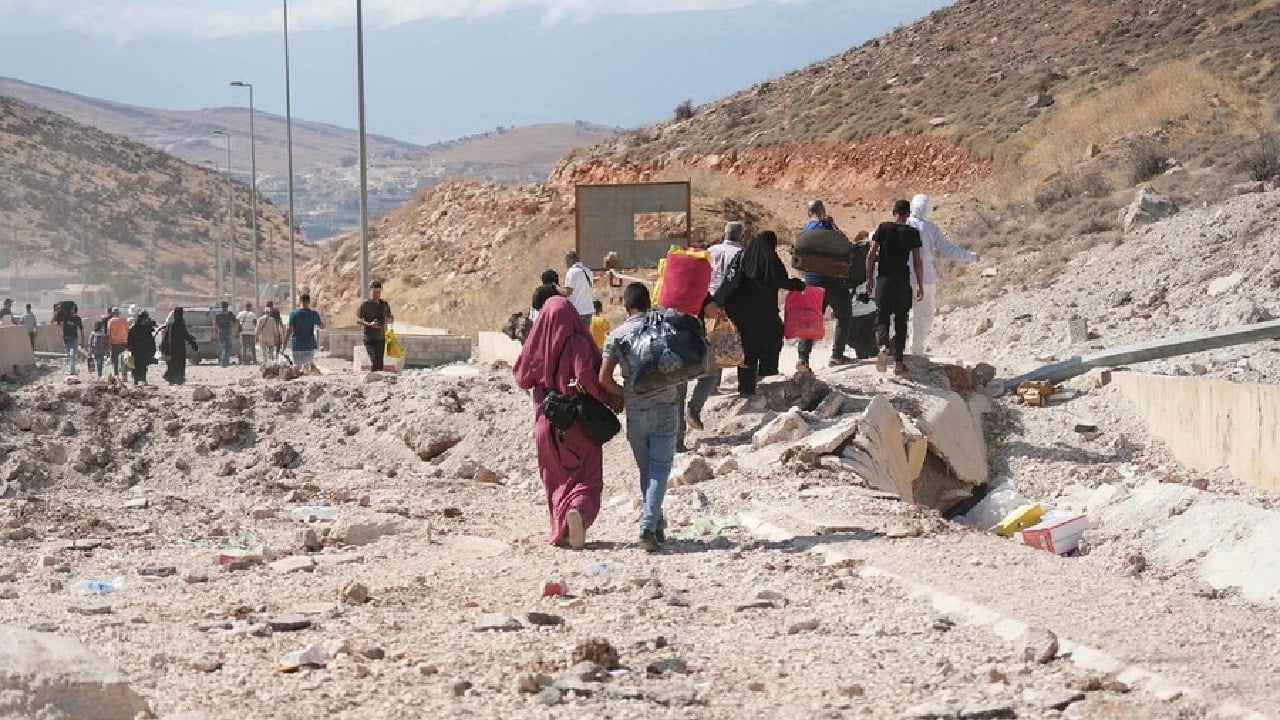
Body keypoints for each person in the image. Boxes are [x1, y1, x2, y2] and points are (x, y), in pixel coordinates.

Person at [513, 296, 616, 551]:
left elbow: (522, 378)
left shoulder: (535, 344)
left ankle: (561, 529)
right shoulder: (578, 342)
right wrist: (611, 397)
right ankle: (578, 512)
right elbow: (587, 379)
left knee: (556, 479)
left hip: (546, 424)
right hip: (576, 422)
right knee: (587, 477)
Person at [600, 283, 679, 553]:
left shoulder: (616, 336)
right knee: (659, 468)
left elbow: (604, 378)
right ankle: (648, 524)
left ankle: (655, 523)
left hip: (636, 411)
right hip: (666, 406)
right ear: (649, 302)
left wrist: (626, 394)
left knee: (647, 469)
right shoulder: (663, 326)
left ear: (626, 307)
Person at [713, 231, 805, 397]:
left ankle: (746, 390)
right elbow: (781, 281)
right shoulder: (771, 260)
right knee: (771, 342)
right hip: (766, 314)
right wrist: (798, 285)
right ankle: (767, 380)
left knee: (748, 351)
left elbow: (729, 281)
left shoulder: (742, 257)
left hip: (742, 314)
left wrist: (718, 302)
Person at [907, 194, 979, 356]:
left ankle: (892, 349)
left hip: (902, 277)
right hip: (925, 278)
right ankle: (916, 350)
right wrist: (971, 257)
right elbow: (948, 250)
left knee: (898, 313)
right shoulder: (930, 229)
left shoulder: (903, 224)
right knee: (924, 314)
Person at [866, 200, 925, 376]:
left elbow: (871, 255)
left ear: (894, 212)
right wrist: (920, 285)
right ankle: (898, 361)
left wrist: (869, 278)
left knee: (882, 316)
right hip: (902, 282)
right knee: (901, 320)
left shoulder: (884, 228)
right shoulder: (913, 232)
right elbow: (917, 262)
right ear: (908, 214)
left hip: (884, 280)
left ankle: (883, 345)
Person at [796, 200, 855, 370]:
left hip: (812, 281)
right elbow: (845, 244)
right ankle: (836, 356)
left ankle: (803, 359)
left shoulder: (806, 230)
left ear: (809, 213)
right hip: (834, 280)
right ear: (823, 210)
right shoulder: (829, 226)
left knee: (810, 319)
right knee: (844, 315)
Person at [356, 281, 394, 372]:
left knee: (380, 362)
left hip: (381, 337)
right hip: (369, 337)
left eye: (378, 292)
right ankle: (374, 380)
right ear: (370, 291)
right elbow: (358, 320)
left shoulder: (384, 304)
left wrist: (388, 320)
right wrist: (370, 324)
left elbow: (391, 318)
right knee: (374, 360)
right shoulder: (365, 305)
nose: (376, 295)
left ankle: (379, 382)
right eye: (374, 292)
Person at [283, 293, 324, 368]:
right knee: (307, 368)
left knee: (297, 368)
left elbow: (289, 331)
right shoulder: (313, 314)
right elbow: (322, 326)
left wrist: (284, 346)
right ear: (309, 302)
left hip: (297, 345)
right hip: (309, 345)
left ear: (300, 301)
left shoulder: (294, 314)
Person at [162, 307, 199, 385]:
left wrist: (164, 347)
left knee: (172, 363)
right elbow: (185, 335)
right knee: (179, 364)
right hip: (179, 348)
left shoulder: (170, 325)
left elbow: (165, 337)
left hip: (171, 348)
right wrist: (193, 344)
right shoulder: (180, 325)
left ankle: (171, 379)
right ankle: (178, 379)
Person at [559, 250, 595, 327]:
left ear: (570, 259)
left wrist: (557, 289)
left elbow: (568, 292)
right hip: (588, 310)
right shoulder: (588, 271)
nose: (565, 263)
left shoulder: (572, 272)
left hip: (576, 310)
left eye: (566, 260)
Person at [127, 311, 158, 385]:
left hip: (143, 350)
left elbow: (150, 338)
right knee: (137, 365)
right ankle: (136, 380)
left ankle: (142, 379)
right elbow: (130, 339)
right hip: (137, 349)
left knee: (143, 365)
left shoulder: (146, 328)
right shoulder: (135, 327)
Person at [58, 304, 85, 376]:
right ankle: (71, 370)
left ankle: (72, 369)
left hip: (74, 339)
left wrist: (83, 341)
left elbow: (81, 330)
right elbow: (58, 322)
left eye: (73, 311)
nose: (72, 313)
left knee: (72, 354)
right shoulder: (65, 317)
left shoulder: (78, 319)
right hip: (66, 338)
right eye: (71, 311)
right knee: (69, 355)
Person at [213, 301, 239, 368]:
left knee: (222, 346)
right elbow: (235, 324)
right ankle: (224, 362)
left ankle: (223, 361)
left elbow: (215, 325)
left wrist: (215, 333)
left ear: (221, 307)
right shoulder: (230, 315)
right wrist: (236, 331)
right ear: (227, 307)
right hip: (227, 331)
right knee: (227, 347)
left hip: (220, 331)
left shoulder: (218, 315)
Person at [106, 307, 130, 379]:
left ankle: (116, 375)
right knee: (124, 359)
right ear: (119, 313)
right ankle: (124, 375)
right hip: (123, 342)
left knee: (115, 360)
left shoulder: (110, 321)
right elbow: (127, 331)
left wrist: (108, 343)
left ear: (113, 313)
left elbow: (109, 333)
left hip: (114, 343)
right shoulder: (124, 321)